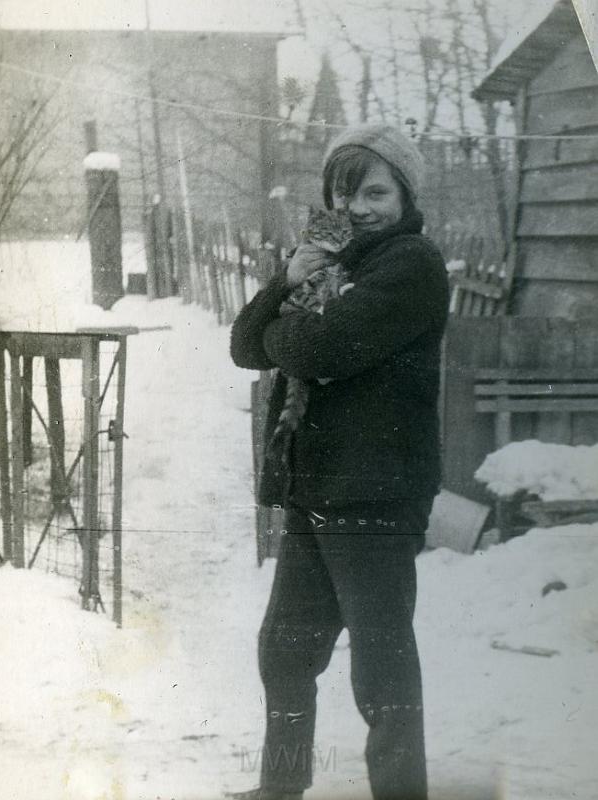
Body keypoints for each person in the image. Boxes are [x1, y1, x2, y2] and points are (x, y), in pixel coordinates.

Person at [229, 124, 450, 800]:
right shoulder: (334, 266)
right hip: (318, 490)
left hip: (375, 495)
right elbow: (247, 348)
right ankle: (280, 788)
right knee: (285, 654)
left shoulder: (409, 263)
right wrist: (284, 284)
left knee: (380, 674)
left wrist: (284, 334)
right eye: (345, 193)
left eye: (376, 192)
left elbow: (321, 350)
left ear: (405, 193)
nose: (359, 208)